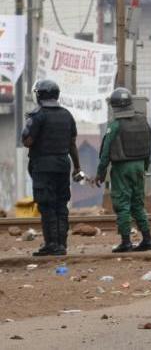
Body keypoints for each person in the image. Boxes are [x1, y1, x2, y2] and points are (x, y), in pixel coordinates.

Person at [22, 79, 80, 256]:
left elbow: (27, 141)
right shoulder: (67, 115)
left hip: (43, 166)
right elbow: (72, 144)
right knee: (61, 205)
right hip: (63, 165)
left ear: (40, 95)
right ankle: (61, 244)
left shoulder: (38, 115)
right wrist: (77, 167)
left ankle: (51, 244)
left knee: (47, 206)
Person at [94, 88, 151, 253]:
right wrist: (145, 166)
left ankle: (126, 241)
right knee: (138, 204)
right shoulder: (143, 121)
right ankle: (148, 239)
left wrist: (100, 174)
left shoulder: (114, 125)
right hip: (140, 166)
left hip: (122, 168)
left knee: (122, 204)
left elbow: (105, 152)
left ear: (114, 106)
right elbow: (148, 147)